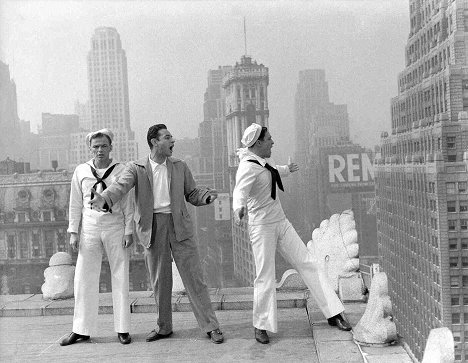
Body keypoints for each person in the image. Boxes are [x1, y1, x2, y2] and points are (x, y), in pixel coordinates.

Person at [89, 124, 224, 344]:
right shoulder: (136, 168)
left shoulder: (180, 166)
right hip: (152, 228)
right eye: (168, 137)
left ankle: (211, 326)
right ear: (154, 142)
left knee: (194, 279)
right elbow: (119, 186)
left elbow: (192, 193)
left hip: (180, 226)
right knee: (160, 281)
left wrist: (205, 197)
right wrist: (104, 198)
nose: (173, 141)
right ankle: (164, 327)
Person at [233, 123, 352, 344]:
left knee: (308, 262)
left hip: (281, 221)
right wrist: (238, 208)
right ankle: (261, 325)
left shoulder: (263, 160)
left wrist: (287, 169)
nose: (273, 141)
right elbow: (239, 191)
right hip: (261, 227)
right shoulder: (247, 167)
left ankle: (334, 312)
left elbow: (272, 170)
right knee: (265, 275)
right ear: (257, 143)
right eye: (269, 139)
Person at [61, 129, 134, 346]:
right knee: (84, 278)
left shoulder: (121, 171)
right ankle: (81, 329)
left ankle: (123, 328)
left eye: (104, 145)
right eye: (95, 146)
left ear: (111, 147)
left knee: (120, 275)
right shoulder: (81, 171)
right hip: (90, 228)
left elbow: (129, 202)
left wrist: (129, 230)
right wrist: (73, 231)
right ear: (90, 148)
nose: (100, 150)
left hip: (115, 226)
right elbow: (75, 203)